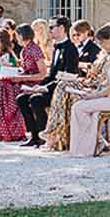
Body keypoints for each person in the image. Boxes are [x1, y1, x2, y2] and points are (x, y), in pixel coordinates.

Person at [66, 24, 110, 157]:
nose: (101, 45)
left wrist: (94, 95)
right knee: (83, 107)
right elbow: (107, 83)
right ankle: (94, 144)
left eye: (102, 41)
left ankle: (94, 144)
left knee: (78, 108)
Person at [18, 18, 76, 147]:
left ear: (61, 28)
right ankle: (34, 135)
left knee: (36, 99)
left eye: (52, 27)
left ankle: (44, 135)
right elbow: (51, 74)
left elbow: (68, 75)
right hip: (52, 87)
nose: (49, 31)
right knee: (21, 98)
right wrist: (40, 86)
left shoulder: (70, 49)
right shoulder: (56, 47)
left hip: (62, 90)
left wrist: (45, 88)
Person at [0, 23, 43, 141]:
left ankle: (7, 127)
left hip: (32, 83)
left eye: (17, 35)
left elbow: (42, 73)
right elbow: (24, 69)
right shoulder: (24, 50)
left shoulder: (34, 49)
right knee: (0, 84)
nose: (16, 38)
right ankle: (1, 127)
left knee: (2, 86)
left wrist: (21, 78)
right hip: (22, 80)